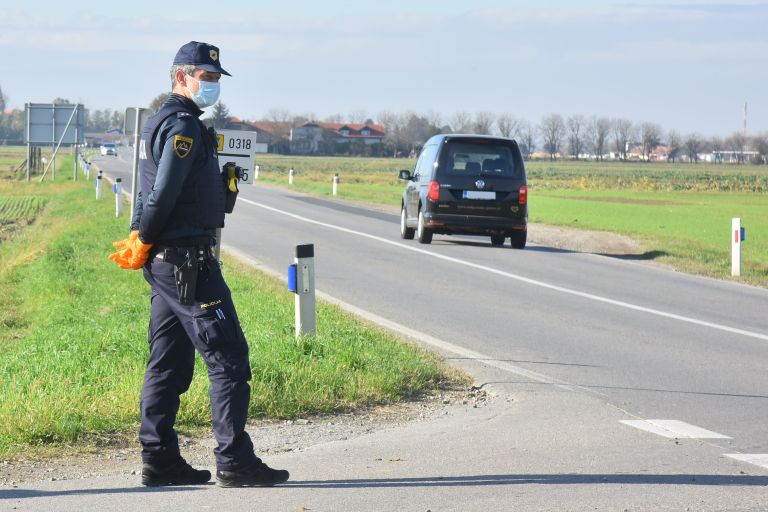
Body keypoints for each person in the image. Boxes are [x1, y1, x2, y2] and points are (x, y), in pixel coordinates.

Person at [108, 41, 289, 488]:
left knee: (168, 361)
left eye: (214, 79)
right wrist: (143, 237)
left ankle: (161, 459)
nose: (211, 85)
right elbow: (164, 191)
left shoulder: (164, 121)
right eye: (204, 77)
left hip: (170, 263)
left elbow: (160, 187)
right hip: (188, 264)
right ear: (179, 77)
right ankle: (234, 460)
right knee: (228, 357)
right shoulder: (184, 126)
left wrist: (221, 189)